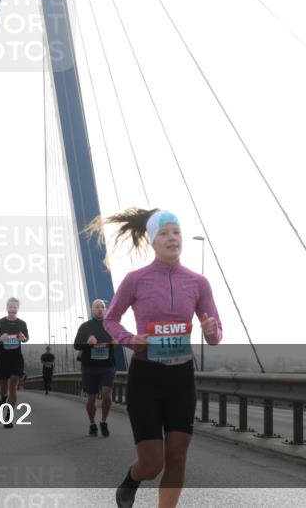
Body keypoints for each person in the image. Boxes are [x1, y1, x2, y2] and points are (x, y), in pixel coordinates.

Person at [88, 208, 222, 508]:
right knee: (152, 464)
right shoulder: (136, 280)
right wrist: (130, 340)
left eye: (176, 232)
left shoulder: (198, 283)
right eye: (164, 233)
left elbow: (215, 337)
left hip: (181, 378)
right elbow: (111, 319)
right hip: (146, 378)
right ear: (153, 241)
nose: (172, 238)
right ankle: (132, 478)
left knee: (177, 456)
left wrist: (211, 329)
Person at [75, 299, 116, 437]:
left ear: (106, 310)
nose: (100, 309)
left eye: (102, 307)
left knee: (106, 394)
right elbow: (76, 345)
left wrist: (118, 340)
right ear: (92, 310)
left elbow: (121, 338)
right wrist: (87, 343)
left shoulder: (111, 326)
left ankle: (103, 422)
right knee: (91, 398)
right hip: (90, 367)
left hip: (107, 365)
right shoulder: (85, 327)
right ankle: (92, 423)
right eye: (97, 307)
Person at [0, 297, 29, 428]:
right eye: (10, 307)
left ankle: (8, 416)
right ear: (7, 308)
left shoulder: (22, 323)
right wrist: (0, 338)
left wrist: (23, 338)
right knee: (4, 390)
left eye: (15, 307)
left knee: (13, 388)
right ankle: (2, 399)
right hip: (2, 359)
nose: (12, 309)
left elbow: (26, 338)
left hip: (16, 359)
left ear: (18, 309)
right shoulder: (0, 323)